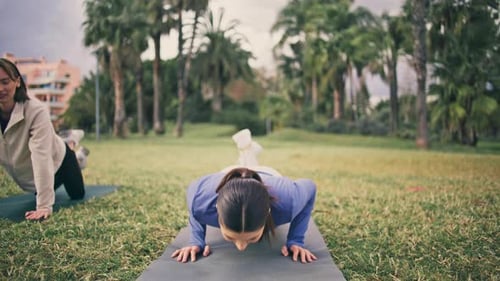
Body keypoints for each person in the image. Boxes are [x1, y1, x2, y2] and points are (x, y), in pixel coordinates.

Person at [172, 129, 318, 263]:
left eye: (253, 238)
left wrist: (296, 240)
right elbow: (195, 210)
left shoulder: (289, 200)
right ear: (217, 208)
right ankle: (247, 151)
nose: (241, 247)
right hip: (227, 174)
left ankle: (248, 151)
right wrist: (196, 241)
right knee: (240, 166)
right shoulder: (199, 199)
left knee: (252, 166)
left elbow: (310, 187)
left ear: (268, 212)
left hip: (267, 175)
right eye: (230, 237)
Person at [0, 58, 85, 221]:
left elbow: (41, 156)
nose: (0, 88)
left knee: (77, 194)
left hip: (60, 162)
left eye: (5, 82)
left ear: (17, 82)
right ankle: (67, 139)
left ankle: (72, 146)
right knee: (38, 186)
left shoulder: (35, 110)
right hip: (30, 179)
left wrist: (44, 206)